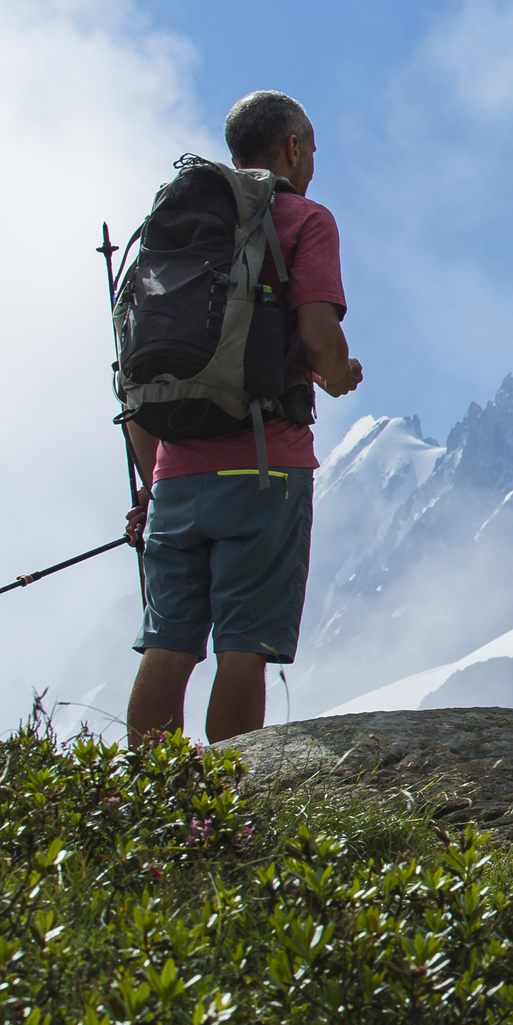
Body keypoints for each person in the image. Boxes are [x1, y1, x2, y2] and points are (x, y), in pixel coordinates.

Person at [121, 92, 362, 743]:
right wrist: (339, 374)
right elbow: (317, 333)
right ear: (291, 148)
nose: (312, 159)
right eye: (310, 147)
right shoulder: (303, 219)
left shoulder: (179, 228)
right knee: (243, 646)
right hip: (265, 467)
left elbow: (137, 378)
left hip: (173, 472)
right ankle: (223, 816)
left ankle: (146, 812)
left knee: (167, 645)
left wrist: (155, 485)